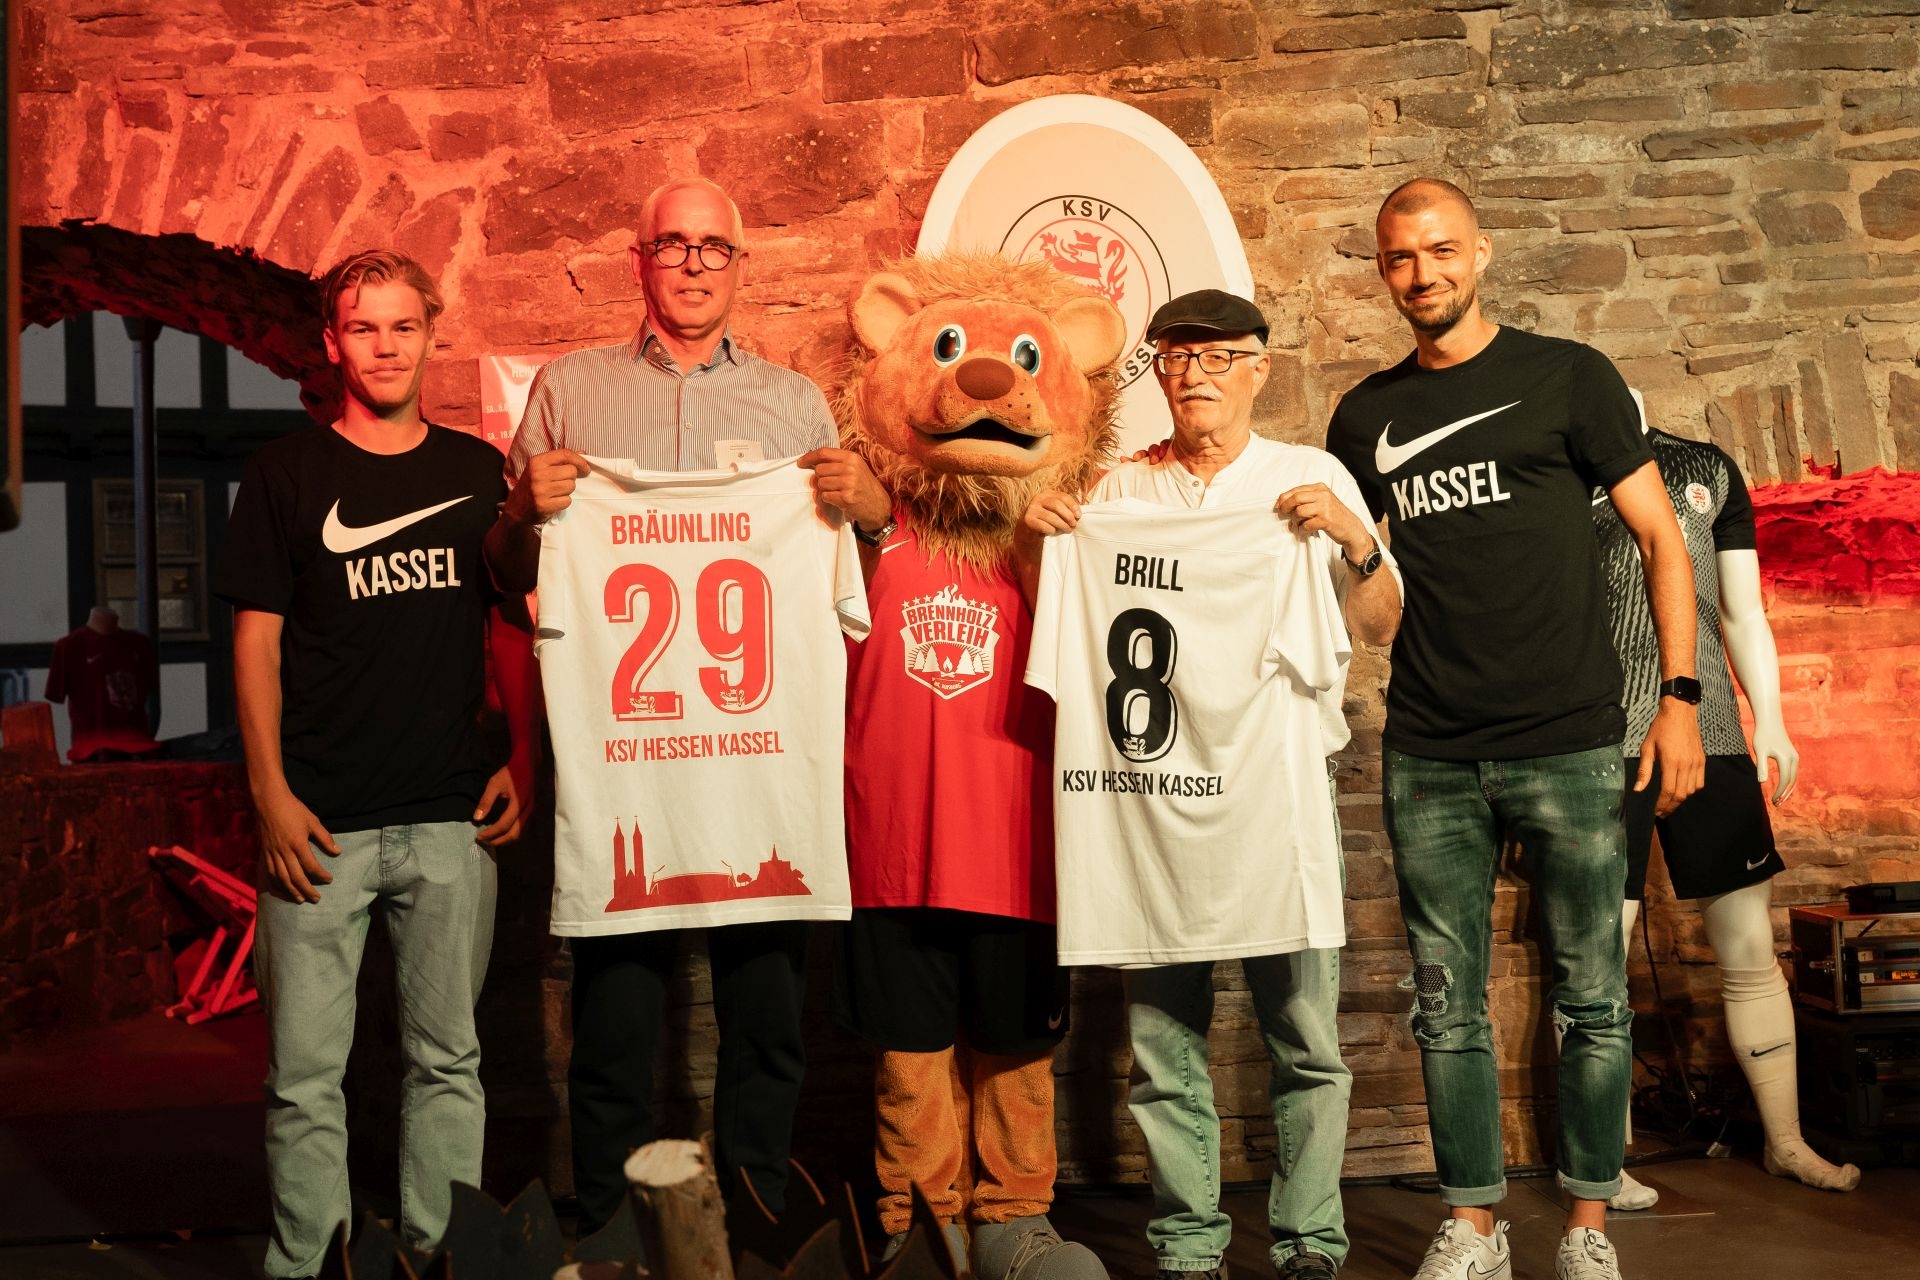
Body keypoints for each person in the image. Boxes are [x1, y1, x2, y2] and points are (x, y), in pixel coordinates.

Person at [483, 176, 890, 1236]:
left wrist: (871, 511)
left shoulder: (795, 406)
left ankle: (754, 1226)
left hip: (759, 770)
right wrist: (522, 512)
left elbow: (855, 580)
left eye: (715, 246)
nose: (695, 263)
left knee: (768, 1021)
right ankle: (615, 1229)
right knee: (616, 1026)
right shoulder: (571, 390)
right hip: (630, 769)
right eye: (674, 243)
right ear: (641, 261)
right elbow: (507, 574)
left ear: (741, 265)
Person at [1322, 179, 1706, 1280]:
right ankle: (1475, 1227)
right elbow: (1371, 612)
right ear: (1383, 270)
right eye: (1402, 258)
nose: (1424, 273)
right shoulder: (1364, 416)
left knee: (1592, 997)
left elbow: (1662, 540)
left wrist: (1679, 700)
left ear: (1481, 253)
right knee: (1446, 1005)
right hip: (1429, 746)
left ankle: (1587, 1229)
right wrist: (1356, 554)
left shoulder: (1568, 376)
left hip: (1570, 739)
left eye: (1442, 250)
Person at [1021, 290, 1403, 1280]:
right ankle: (1189, 1243)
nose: (1194, 374)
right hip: (1149, 806)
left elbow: (1380, 625)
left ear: (1259, 368)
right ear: (1157, 371)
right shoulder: (1114, 489)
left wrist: (1355, 539)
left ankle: (1311, 1239)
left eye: (1218, 356)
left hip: (1277, 794)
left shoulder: (1308, 477)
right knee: (1163, 1046)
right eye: (1176, 357)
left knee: (1305, 1037)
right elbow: (1056, 618)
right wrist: (1037, 537)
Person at [217, 249, 525, 1278]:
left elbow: (513, 630)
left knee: (449, 1064)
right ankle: (307, 1265)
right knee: (305, 1079)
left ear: (432, 334)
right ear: (331, 343)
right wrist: (268, 793)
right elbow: (254, 646)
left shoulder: (477, 474)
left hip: (448, 816)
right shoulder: (284, 475)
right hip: (318, 823)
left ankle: (439, 1261)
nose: (384, 346)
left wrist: (522, 757)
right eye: (363, 327)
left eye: (402, 325)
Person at [1593, 392, 1858, 1200]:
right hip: (1597, 741)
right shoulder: (1555, 473)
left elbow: (1742, 610)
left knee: (1748, 946)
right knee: (1598, 958)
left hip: (1709, 730)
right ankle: (1602, 1164)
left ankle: (1786, 1142)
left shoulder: (1702, 466)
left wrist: (1769, 718)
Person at [44, 605, 161, 761]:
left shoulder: (139, 644)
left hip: (134, 744)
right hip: (91, 747)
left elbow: (151, 687)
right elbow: (55, 693)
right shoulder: (68, 646)